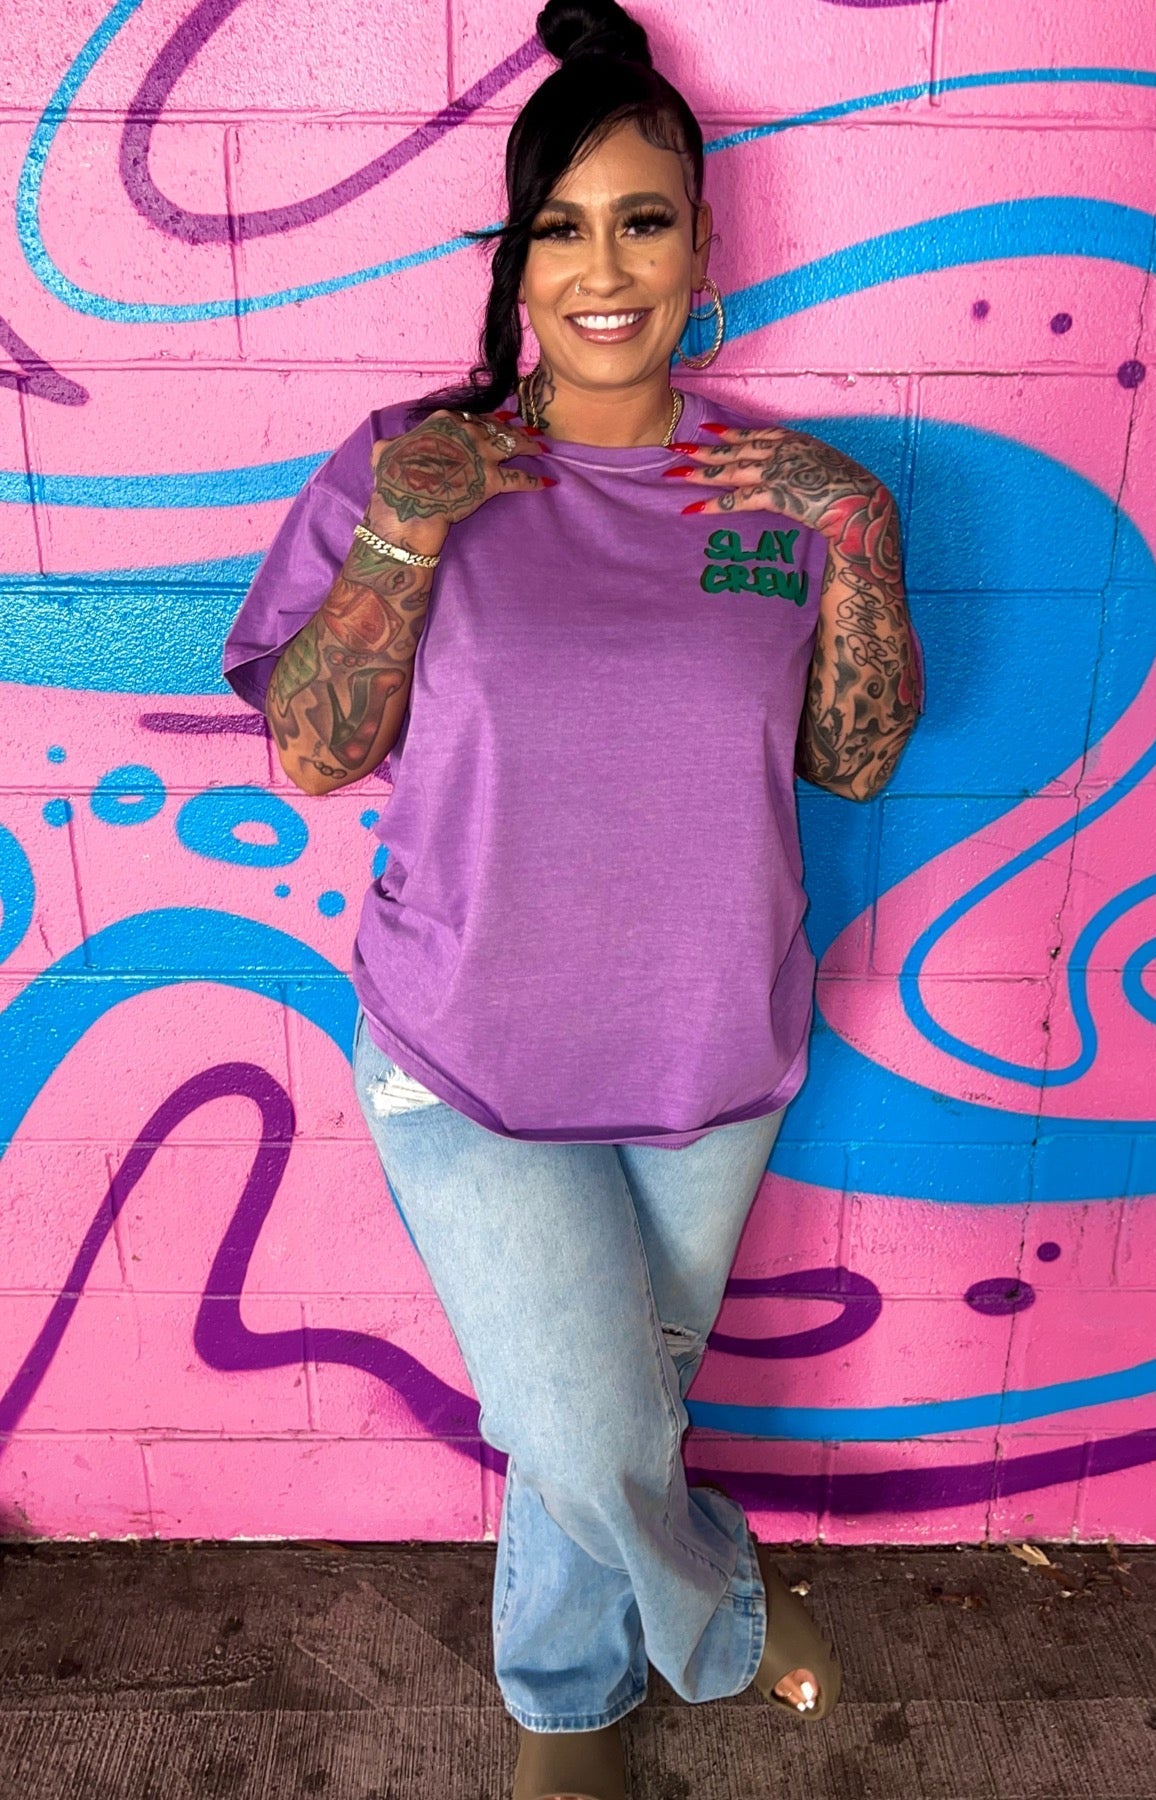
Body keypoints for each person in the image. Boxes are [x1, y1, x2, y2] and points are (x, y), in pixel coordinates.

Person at [222, 1, 922, 1793]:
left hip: (708, 1053)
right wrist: (404, 534)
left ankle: (566, 1718)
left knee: (613, 1412)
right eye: (561, 227)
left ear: (701, 245)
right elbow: (313, 750)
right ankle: (726, 1613)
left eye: (643, 221)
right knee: (585, 1417)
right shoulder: (412, 464)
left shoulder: (779, 495)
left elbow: (850, 763)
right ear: (514, 260)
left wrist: (861, 535)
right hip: (465, 1041)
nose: (604, 270)